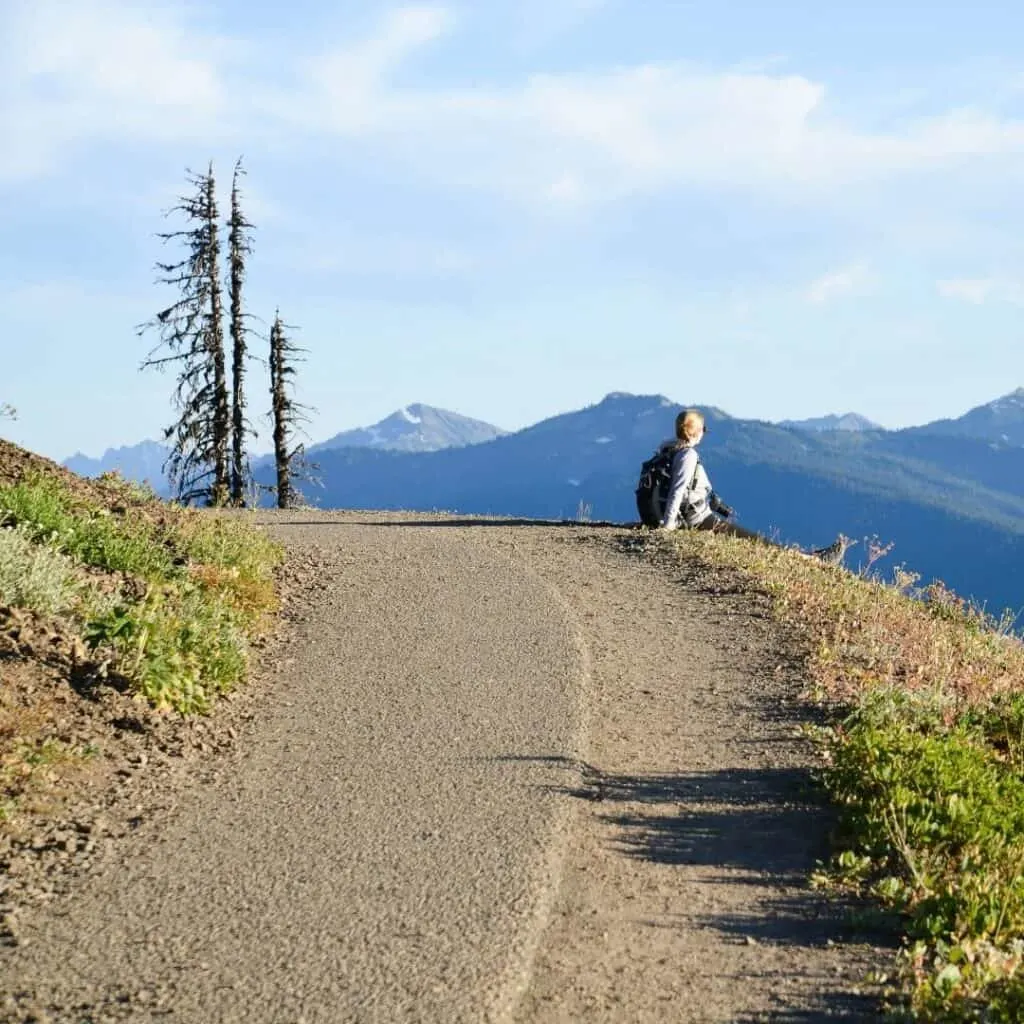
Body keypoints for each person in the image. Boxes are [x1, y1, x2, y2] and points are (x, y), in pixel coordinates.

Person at [659, 408, 851, 564]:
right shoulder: (687, 455)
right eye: (703, 430)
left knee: (752, 541)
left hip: (688, 516)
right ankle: (813, 560)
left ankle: (811, 557)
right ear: (697, 431)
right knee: (759, 542)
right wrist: (668, 527)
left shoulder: (667, 450)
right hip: (697, 519)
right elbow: (678, 490)